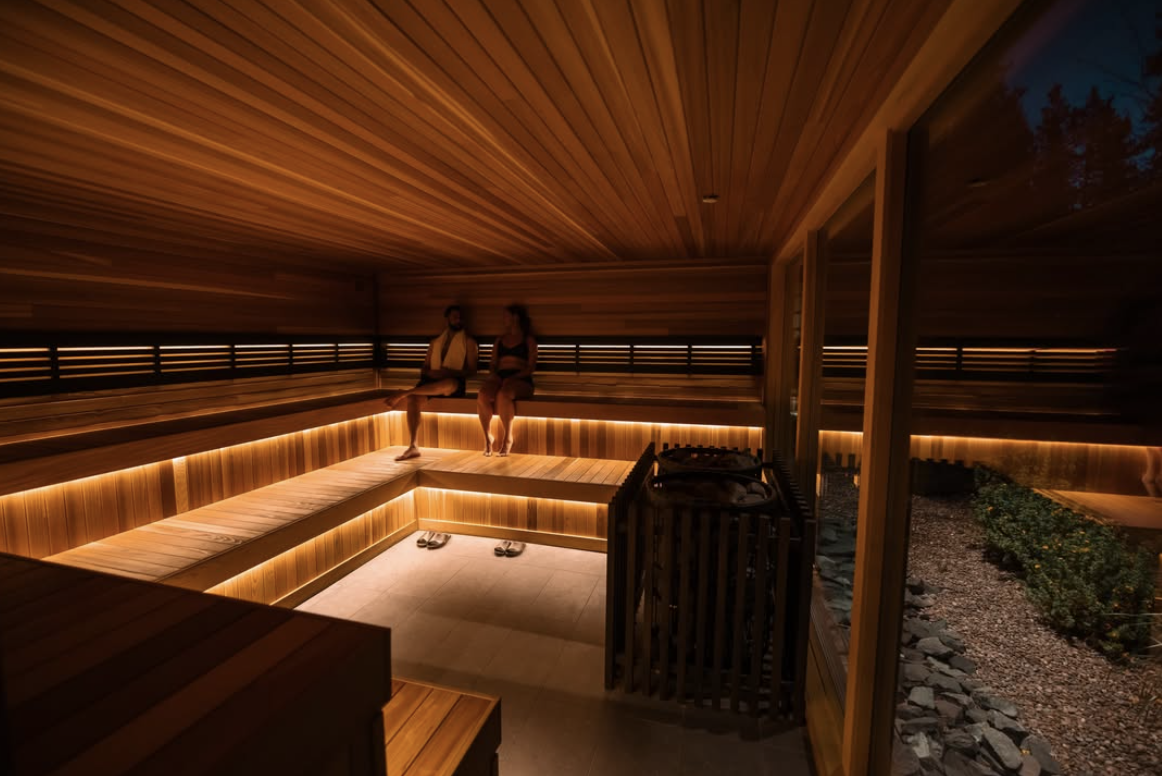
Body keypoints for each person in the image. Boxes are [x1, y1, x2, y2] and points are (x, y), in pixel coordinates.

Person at [384, 305, 479, 461]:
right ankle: (413, 446)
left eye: (461, 317)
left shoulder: (469, 342)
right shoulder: (435, 342)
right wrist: (431, 373)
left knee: (447, 383)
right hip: (431, 381)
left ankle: (404, 393)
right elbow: (425, 368)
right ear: (447, 318)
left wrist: (448, 372)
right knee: (414, 400)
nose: (458, 319)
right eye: (455, 316)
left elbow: (472, 370)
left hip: (453, 383)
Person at [477, 304, 537, 456]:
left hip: (521, 379)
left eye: (506, 316)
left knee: (503, 394)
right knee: (483, 394)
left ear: (515, 317)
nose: (503, 319)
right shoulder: (500, 340)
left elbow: (530, 368)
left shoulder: (528, 340)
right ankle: (487, 438)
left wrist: (512, 378)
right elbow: (493, 363)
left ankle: (507, 438)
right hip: (501, 377)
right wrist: (494, 375)